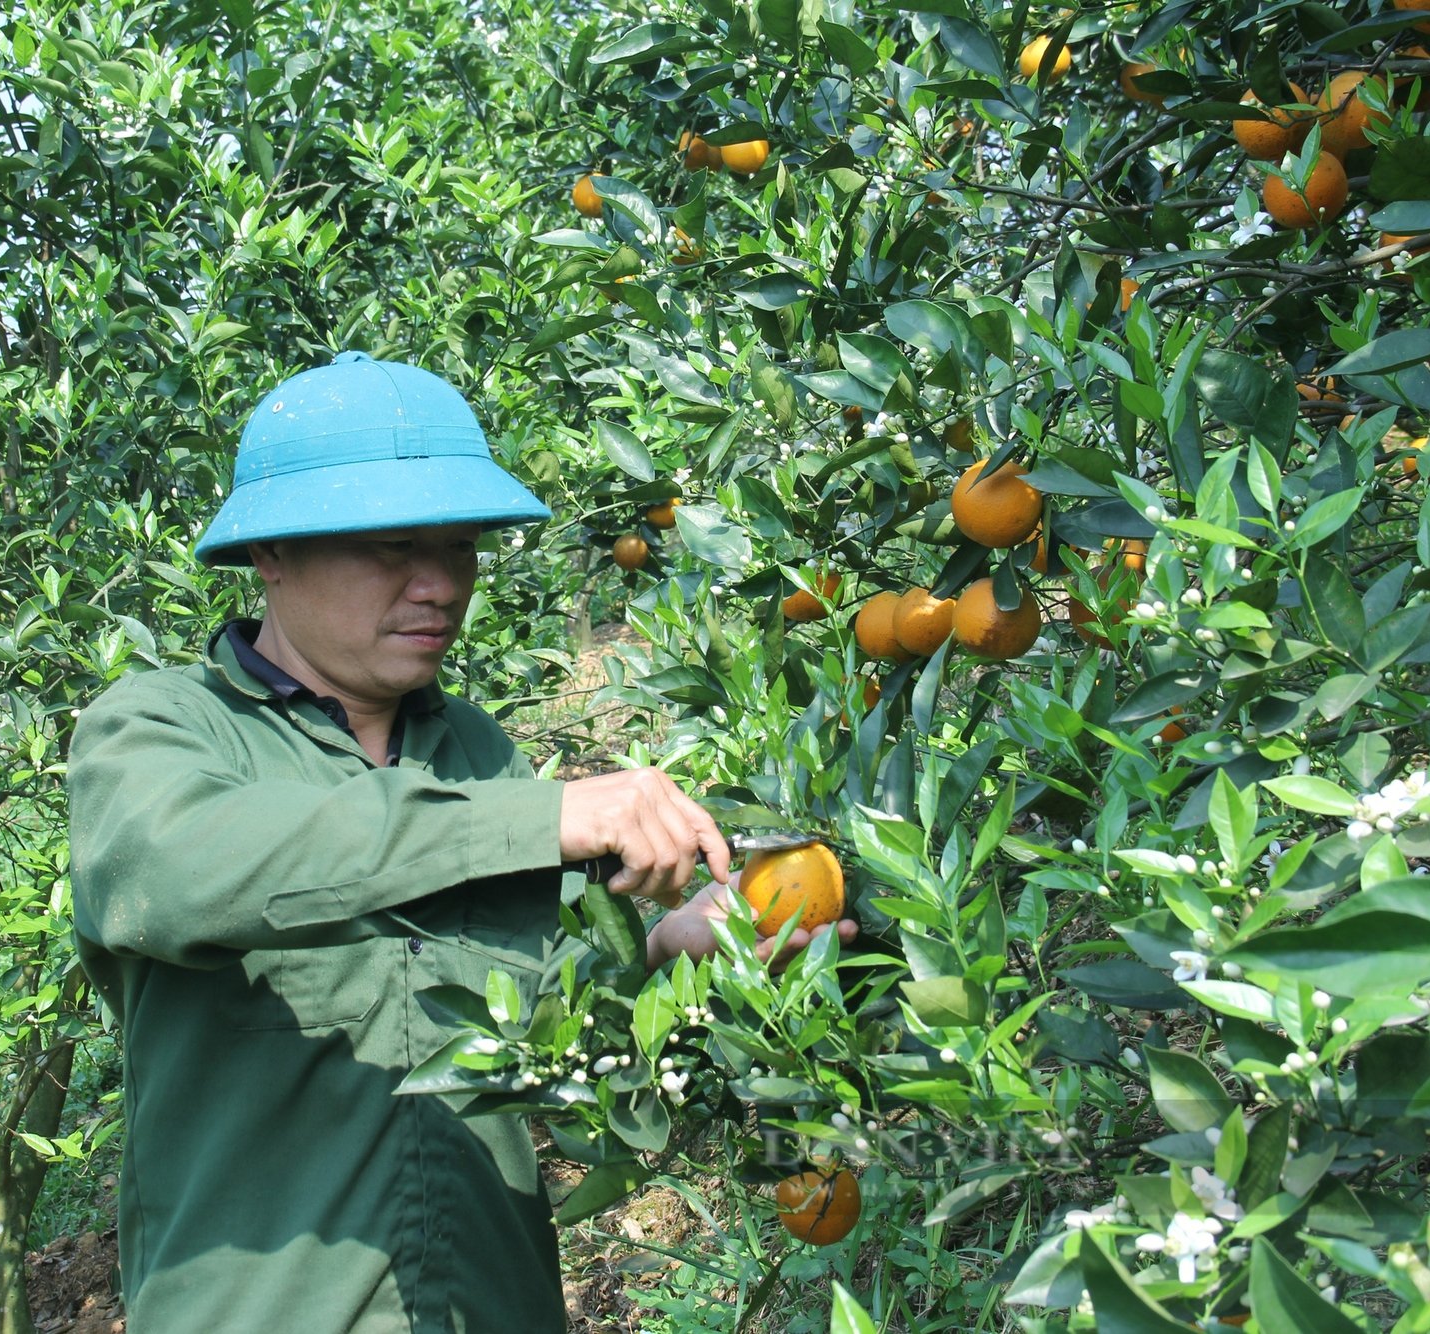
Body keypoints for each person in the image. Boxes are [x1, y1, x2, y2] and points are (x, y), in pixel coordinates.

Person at [68, 352, 853, 1332]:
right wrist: (543, 817)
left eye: (460, 545)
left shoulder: (472, 749)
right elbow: (176, 871)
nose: (439, 584)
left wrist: (665, 960)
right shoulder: (160, 727)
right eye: (393, 546)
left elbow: (533, 1037)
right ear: (271, 553)